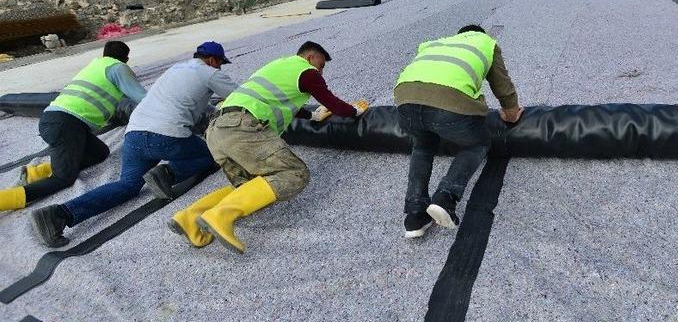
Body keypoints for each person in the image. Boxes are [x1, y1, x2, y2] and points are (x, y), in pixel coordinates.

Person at [30, 42, 238, 247]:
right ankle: (167, 174)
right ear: (212, 60)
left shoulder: (175, 70)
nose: (219, 68)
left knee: (127, 185)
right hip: (165, 136)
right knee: (213, 152)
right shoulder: (210, 73)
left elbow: (185, 103)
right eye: (220, 64)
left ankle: (59, 214)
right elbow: (239, 97)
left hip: (134, 134)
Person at [170, 41, 368, 253]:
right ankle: (220, 215)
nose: (320, 71)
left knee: (249, 186)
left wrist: (312, 115)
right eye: (320, 65)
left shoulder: (277, 67)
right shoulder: (307, 72)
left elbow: (274, 99)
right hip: (241, 127)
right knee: (293, 173)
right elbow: (333, 102)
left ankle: (190, 217)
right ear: (310, 57)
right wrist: (354, 111)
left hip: (217, 130)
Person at [394, 25, 523, 239]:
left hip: (404, 99)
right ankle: (446, 197)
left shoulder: (435, 43)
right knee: (477, 143)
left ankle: (415, 215)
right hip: (448, 101)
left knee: (422, 145)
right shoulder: (486, 43)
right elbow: (503, 86)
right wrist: (511, 114)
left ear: (459, 35)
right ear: (481, 34)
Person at [0, 41, 146, 211]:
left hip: (58, 120)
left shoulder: (96, 65)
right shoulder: (118, 68)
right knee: (63, 178)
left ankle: (37, 172)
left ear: (104, 53)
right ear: (126, 58)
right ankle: (5, 200)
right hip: (66, 124)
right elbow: (142, 97)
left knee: (99, 153)